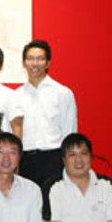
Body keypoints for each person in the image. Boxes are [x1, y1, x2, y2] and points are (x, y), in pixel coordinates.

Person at [15, 40, 77, 187]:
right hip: (25, 160)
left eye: (40, 59)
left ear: (48, 63)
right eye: (30, 59)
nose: (35, 63)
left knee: (52, 207)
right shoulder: (16, 95)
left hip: (53, 159)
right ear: (24, 63)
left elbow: (70, 133)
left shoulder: (63, 93)